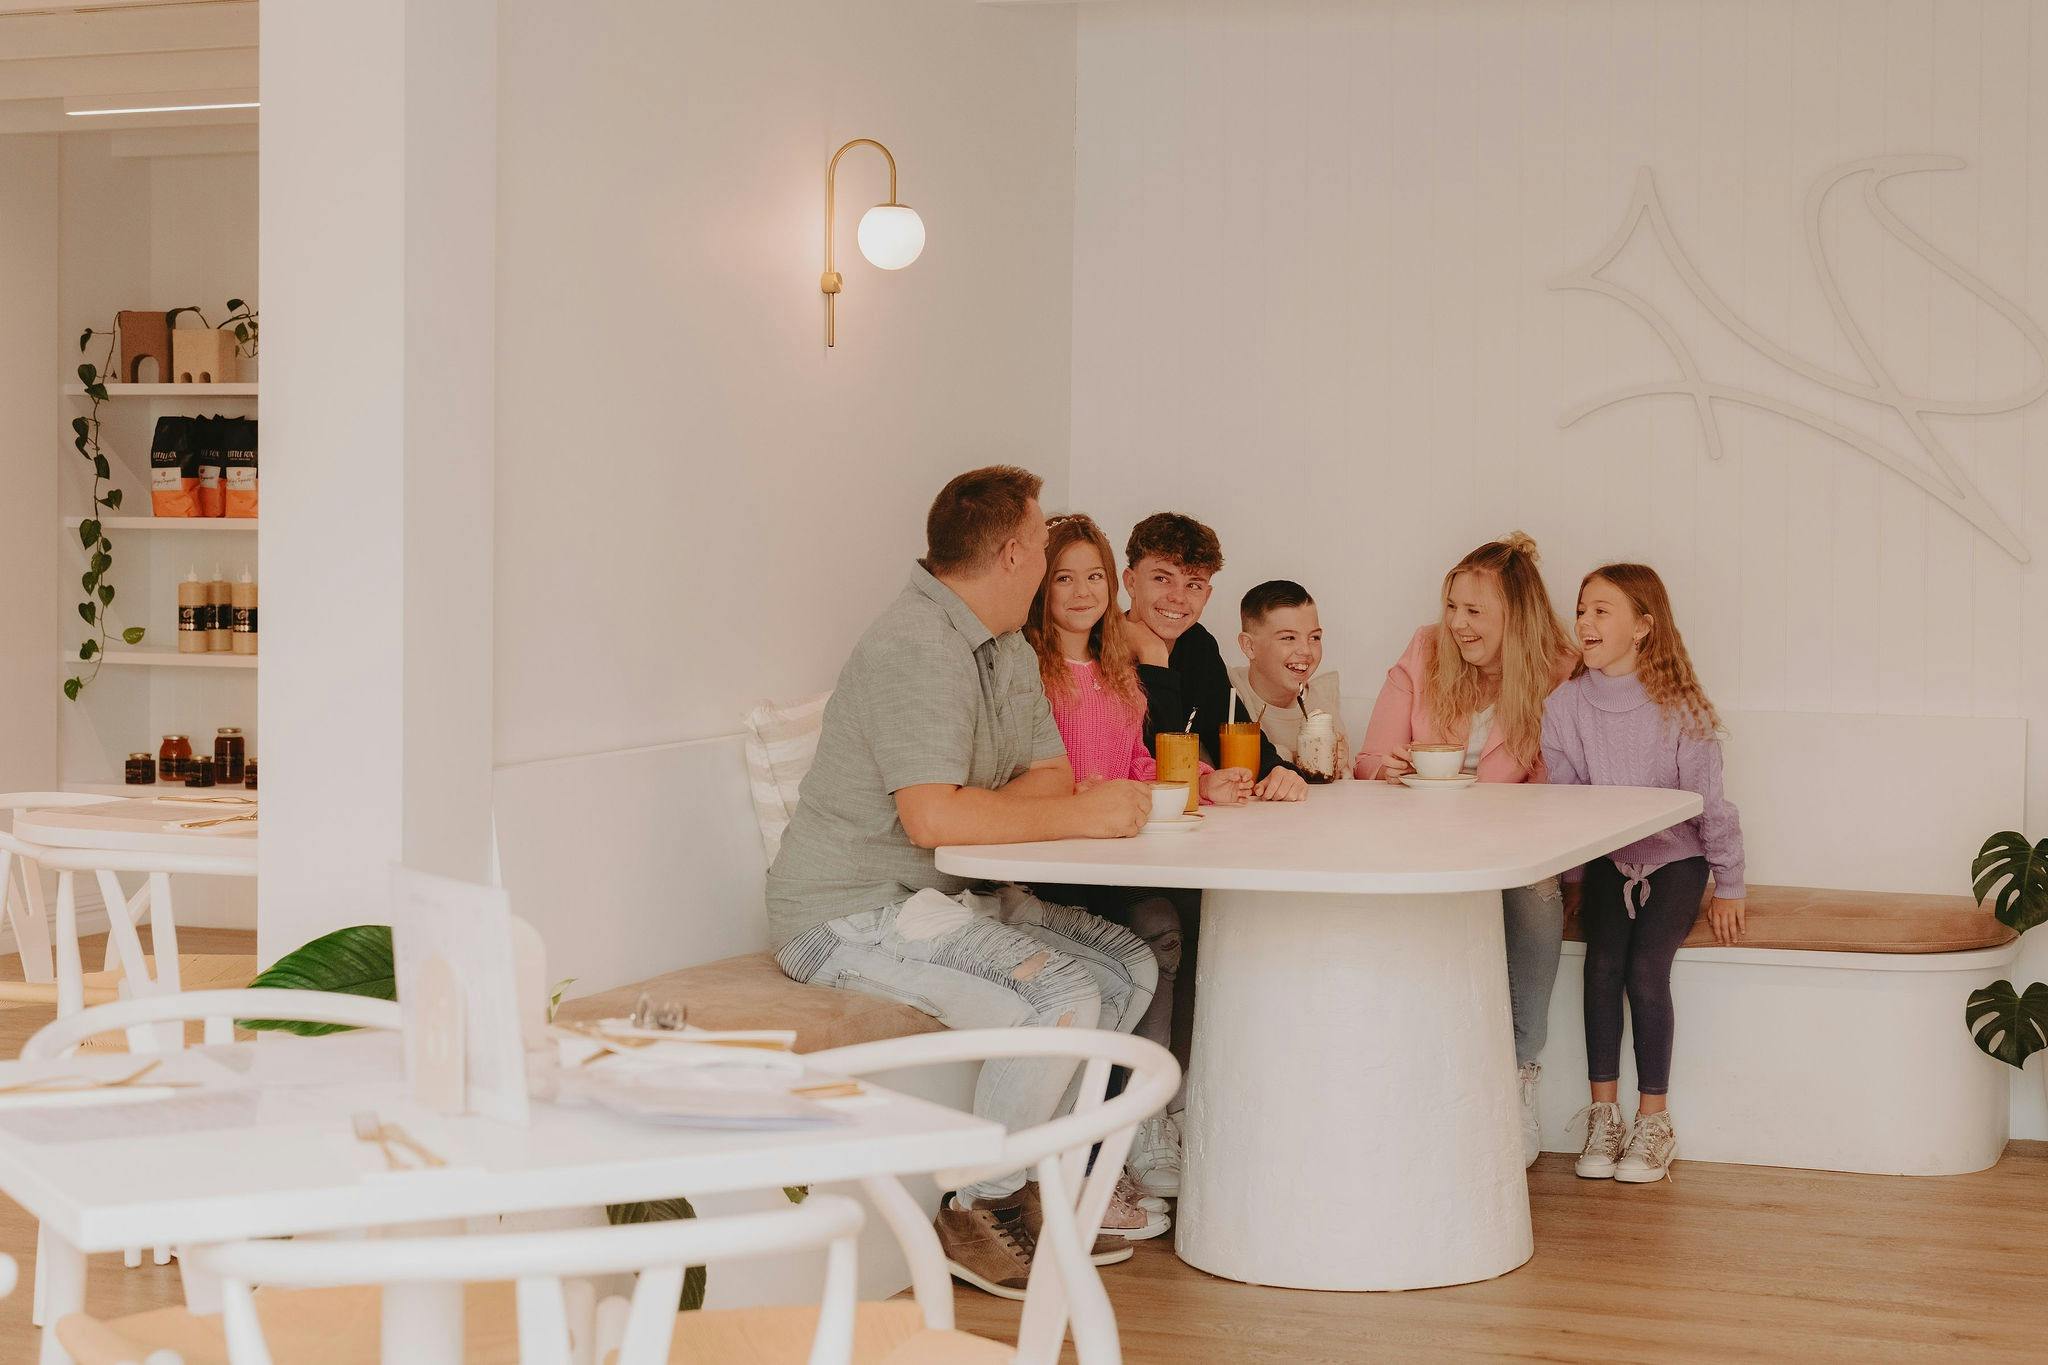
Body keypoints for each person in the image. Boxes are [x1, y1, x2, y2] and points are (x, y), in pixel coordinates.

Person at [765, 465, 1161, 1300]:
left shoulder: (1007, 643)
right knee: (1059, 994)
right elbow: (934, 822)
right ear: (1016, 552)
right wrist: (1078, 816)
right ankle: (976, 1207)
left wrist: (992, 805)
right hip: (850, 913)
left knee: (1127, 968)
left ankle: (1029, 1185)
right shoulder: (914, 645)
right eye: (1044, 537)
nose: (1049, 554)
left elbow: (1048, 776)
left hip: (938, 899)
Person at [1022, 512, 1243, 1211]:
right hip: (1058, 861)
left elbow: (1139, 761)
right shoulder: (1029, 668)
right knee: (1149, 932)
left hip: (1117, 851)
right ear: (1042, 586)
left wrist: (1199, 781)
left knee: (1184, 920)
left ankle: (1153, 1117)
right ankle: (1122, 1133)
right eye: (1066, 577)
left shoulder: (1119, 668)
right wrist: (1081, 794)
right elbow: (1022, 768)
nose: (1084, 591)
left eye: (1094, 576)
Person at [1353, 532, 1578, 1166]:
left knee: (1536, 890)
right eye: (1453, 606)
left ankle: (1518, 1074)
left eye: (1474, 611)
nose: (1457, 624)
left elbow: (1558, 792)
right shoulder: (1425, 651)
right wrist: (1389, 767)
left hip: (1512, 849)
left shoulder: (1558, 670)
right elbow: (1368, 760)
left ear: (1517, 616)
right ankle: (1424, 1087)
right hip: (1421, 841)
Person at [1544, 562, 1746, 1185]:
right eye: (1581, 610)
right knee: (1601, 968)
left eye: (1601, 610)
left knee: (1645, 970)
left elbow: (1711, 806)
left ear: (1643, 627)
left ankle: (1653, 1120)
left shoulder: (1679, 708)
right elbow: (1566, 804)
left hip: (1676, 860)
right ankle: (1604, 1115)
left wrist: (1729, 884)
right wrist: (1573, 881)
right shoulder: (1565, 705)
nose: (1585, 621)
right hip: (1608, 862)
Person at [1119, 512, 1308, 802]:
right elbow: (1160, 765)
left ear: (1206, 595)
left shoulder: (1198, 644)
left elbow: (1230, 726)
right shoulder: (1093, 648)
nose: (1178, 597)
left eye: (1193, 584)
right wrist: (1154, 659)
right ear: (1131, 582)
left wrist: (1275, 770)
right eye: (1162, 578)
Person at [1227, 580, 1347, 779]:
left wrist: (1340, 765)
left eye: (1314, 638)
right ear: (1249, 646)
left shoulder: (1323, 710)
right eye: (1288, 638)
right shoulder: (1227, 691)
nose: (1306, 651)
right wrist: (1292, 756)